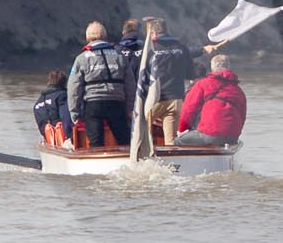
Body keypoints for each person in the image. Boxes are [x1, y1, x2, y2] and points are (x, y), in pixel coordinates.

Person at [68, 20, 132, 148]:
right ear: (104, 36)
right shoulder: (120, 56)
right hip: (116, 103)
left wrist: (74, 113)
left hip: (93, 105)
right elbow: (130, 84)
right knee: (125, 140)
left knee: (95, 142)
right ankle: (129, 162)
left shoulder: (81, 59)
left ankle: (97, 162)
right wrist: (130, 108)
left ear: (88, 37)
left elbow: (73, 88)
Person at [137, 17, 194, 147]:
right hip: (176, 99)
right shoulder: (182, 48)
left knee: (138, 129)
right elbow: (190, 75)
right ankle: (171, 164)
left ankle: (141, 159)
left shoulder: (150, 50)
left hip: (155, 99)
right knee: (170, 141)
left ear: (153, 33)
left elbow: (141, 74)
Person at [177, 53, 246, 146]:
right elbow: (242, 116)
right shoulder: (238, 91)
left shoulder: (203, 84)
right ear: (228, 67)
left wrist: (182, 130)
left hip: (209, 134)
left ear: (212, 67)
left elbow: (188, 110)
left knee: (177, 141)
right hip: (232, 137)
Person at [32, 69, 73, 147]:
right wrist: (70, 136)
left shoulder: (38, 102)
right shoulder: (62, 96)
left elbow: (40, 123)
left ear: (49, 82)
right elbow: (66, 117)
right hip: (62, 139)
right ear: (64, 83)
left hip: (49, 139)